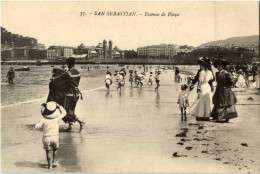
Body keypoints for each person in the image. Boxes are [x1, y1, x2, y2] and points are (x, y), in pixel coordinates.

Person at [52, 57, 84, 132]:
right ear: (74, 63)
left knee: (65, 111)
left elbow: (58, 80)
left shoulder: (68, 73)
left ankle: (80, 121)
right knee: (72, 110)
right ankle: (71, 126)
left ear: (67, 64)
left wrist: (53, 79)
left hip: (69, 94)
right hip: (77, 94)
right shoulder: (77, 72)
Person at [35, 102, 66, 169]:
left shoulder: (43, 120)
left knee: (48, 151)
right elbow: (64, 113)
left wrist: (40, 124)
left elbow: (36, 126)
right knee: (55, 150)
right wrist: (59, 106)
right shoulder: (56, 118)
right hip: (55, 137)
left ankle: (50, 166)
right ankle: (53, 162)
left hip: (46, 138)